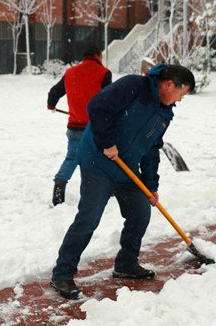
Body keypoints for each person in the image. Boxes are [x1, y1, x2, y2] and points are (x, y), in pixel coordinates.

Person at [50, 64, 195, 300]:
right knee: (89, 218)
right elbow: (96, 108)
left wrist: (150, 186)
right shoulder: (133, 87)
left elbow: (151, 150)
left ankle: (126, 263)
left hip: (126, 169)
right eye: (182, 93)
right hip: (98, 161)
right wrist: (107, 142)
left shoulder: (164, 113)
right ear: (170, 85)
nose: (181, 99)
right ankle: (62, 273)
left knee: (140, 213)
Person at [47, 45, 111, 206]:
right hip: (96, 128)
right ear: (97, 56)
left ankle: (58, 191)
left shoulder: (70, 72)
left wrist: (51, 106)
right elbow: (110, 100)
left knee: (72, 158)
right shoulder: (103, 73)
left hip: (75, 126)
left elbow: (54, 92)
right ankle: (104, 192)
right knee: (101, 159)